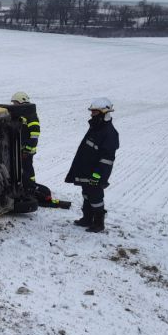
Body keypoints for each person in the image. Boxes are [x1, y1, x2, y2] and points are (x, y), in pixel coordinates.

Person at [65, 97, 119, 233]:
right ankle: (87, 218)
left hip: (96, 172)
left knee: (96, 197)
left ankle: (99, 223)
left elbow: (107, 159)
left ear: (104, 113)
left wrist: (97, 175)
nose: (91, 114)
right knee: (86, 193)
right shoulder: (96, 127)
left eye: (94, 112)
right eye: (92, 112)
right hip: (86, 169)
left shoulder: (109, 132)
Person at [11, 91, 40, 192]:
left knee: (27, 169)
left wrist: (27, 149)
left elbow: (35, 135)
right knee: (22, 170)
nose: (13, 105)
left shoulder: (31, 116)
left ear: (21, 102)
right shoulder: (22, 114)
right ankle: (26, 186)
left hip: (27, 150)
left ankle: (31, 187)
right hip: (22, 150)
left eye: (15, 103)